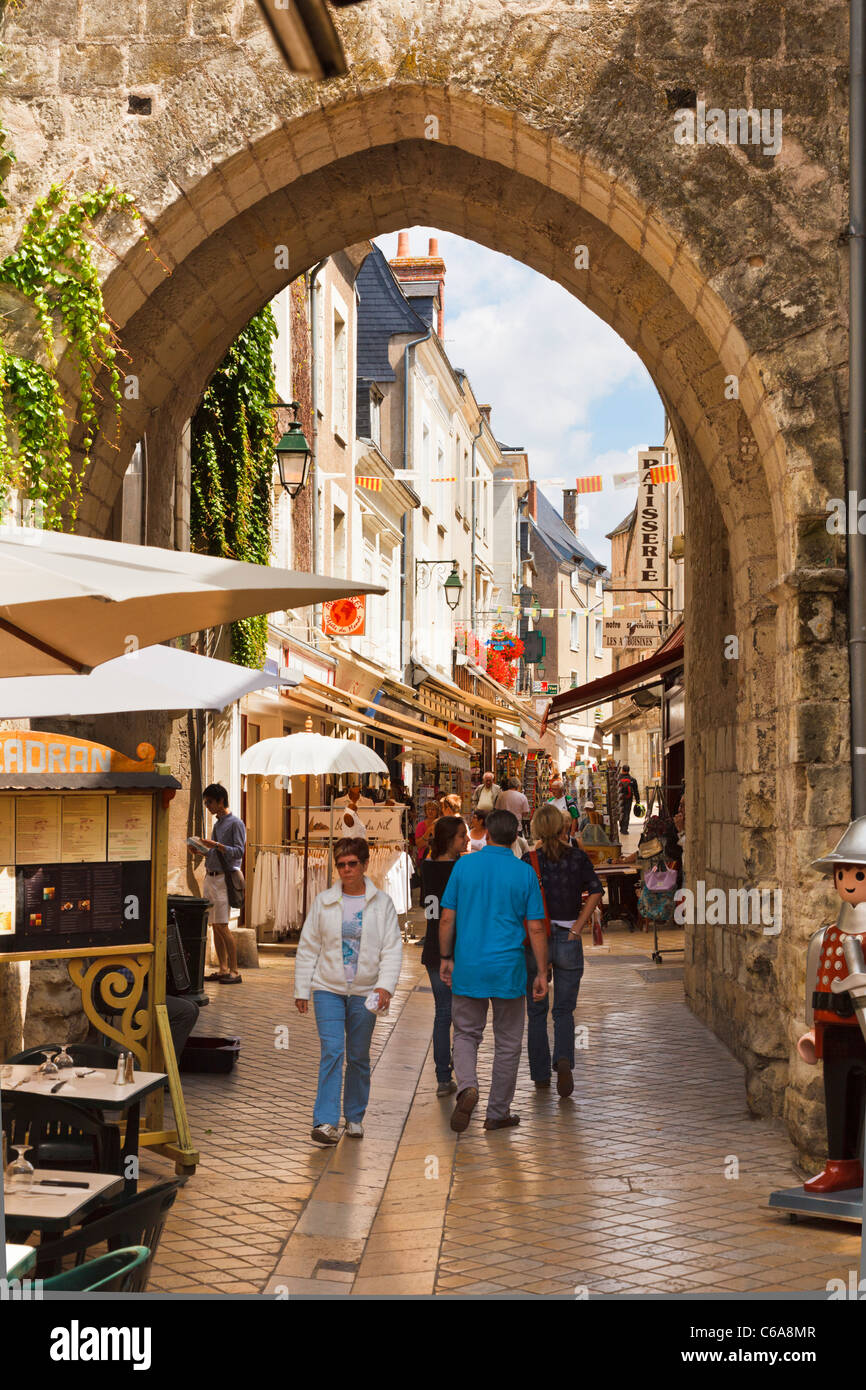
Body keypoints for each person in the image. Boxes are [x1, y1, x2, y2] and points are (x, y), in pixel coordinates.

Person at [439, 809, 548, 1133]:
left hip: (470, 965)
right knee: (508, 1041)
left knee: (465, 1034)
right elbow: (537, 929)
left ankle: (467, 1086)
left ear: (485, 834)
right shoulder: (523, 873)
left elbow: (447, 918)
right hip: (508, 969)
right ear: (515, 837)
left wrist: (446, 956)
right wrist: (542, 971)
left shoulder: (464, 866)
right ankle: (497, 1111)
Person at [294, 836, 403, 1145]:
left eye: (352, 863)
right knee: (332, 1050)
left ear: (365, 864)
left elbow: (392, 949)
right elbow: (308, 947)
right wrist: (302, 988)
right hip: (327, 988)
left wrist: (385, 985)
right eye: (340, 864)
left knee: (357, 1055)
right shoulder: (324, 902)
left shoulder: (382, 904)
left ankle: (354, 1116)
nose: (346, 869)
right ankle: (325, 1122)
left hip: (366, 991)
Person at [523, 804, 603, 1096]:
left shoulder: (529, 860)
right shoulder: (577, 857)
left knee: (536, 1011)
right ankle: (565, 1060)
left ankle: (541, 1074)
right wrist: (578, 926)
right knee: (565, 1010)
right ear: (562, 827)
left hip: (537, 938)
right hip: (568, 937)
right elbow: (596, 889)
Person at [419, 816, 468, 1097]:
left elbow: (429, 907)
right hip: (456, 949)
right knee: (461, 1015)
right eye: (462, 836)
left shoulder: (427, 866)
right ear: (450, 840)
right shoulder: (460, 868)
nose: (467, 840)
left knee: (443, 1014)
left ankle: (442, 1077)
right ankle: (462, 1074)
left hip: (433, 950)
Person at [190, 783, 246, 985]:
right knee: (214, 925)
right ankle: (222, 968)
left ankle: (234, 970)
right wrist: (202, 850)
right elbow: (215, 853)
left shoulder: (235, 823)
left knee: (223, 925)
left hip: (224, 878)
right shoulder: (218, 824)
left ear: (221, 800)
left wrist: (217, 845)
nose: (207, 805)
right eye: (206, 802)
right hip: (210, 876)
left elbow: (239, 851)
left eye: (209, 802)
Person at [619, 764, 640, 834]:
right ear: (629, 771)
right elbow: (636, 791)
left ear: (622, 770)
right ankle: (625, 829)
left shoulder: (618, 779)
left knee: (621, 812)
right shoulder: (632, 780)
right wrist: (638, 801)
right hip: (628, 799)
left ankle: (621, 827)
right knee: (627, 813)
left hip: (620, 799)